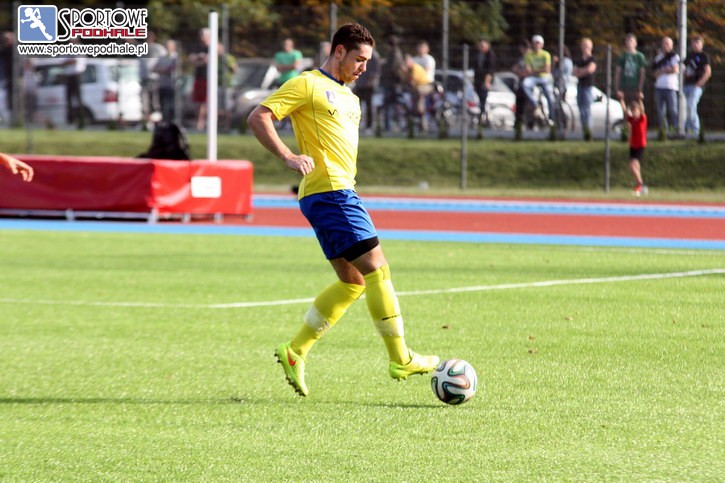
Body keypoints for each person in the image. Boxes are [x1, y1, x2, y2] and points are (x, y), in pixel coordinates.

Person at [247, 23, 439, 397]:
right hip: (331, 193)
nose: (364, 67)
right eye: (359, 59)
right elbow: (259, 116)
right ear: (339, 51)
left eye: (368, 61)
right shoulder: (307, 84)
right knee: (378, 270)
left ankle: (295, 351)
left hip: (335, 194)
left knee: (353, 281)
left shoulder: (351, 99)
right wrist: (287, 156)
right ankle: (401, 357)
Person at [683, 35, 712, 138]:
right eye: (693, 42)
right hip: (687, 85)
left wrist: (699, 83)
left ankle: (696, 130)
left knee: (691, 105)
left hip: (696, 86)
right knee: (688, 108)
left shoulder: (704, 56)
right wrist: (683, 80)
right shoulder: (689, 56)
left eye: (697, 42)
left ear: (701, 44)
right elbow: (685, 70)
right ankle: (687, 129)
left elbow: (708, 72)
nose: (695, 44)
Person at [521, 35, 554, 124]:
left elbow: (547, 70)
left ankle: (552, 118)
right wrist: (540, 69)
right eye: (535, 43)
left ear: (542, 45)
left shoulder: (546, 54)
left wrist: (534, 70)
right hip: (533, 77)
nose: (537, 45)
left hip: (544, 78)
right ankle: (535, 104)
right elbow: (528, 70)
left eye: (538, 43)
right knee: (524, 84)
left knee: (550, 96)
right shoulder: (528, 55)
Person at [652, 36, 679, 138]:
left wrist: (662, 71)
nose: (665, 46)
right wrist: (665, 70)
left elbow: (675, 69)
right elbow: (654, 74)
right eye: (664, 43)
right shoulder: (658, 58)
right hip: (659, 87)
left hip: (671, 87)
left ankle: (676, 129)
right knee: (660, 111)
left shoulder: (674, 56)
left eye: (668, 44)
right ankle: (664, 130)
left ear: (671, 45)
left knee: (673, 109)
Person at [620, 97, 648, 197]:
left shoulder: (642, 119)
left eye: (635, 110)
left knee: (632, 166)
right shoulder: (632, 120)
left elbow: (642, 110)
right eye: (632, 110)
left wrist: (640, 99)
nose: (634, 112)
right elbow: (625, 112)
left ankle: (641, 184)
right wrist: (621, 100)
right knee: (635, 167)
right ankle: (641, 186)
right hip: (633, 145)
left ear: (639, 111)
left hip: (640, 145)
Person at [379, 34, 405, 132]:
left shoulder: (394, 55)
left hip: (392, 83)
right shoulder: (395, 54)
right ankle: (394, 125)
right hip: (393, 83)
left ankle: (390, 126)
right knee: (394, 105)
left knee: (391, 105)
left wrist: (383, 67)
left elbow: (392, 69)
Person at [573, 38, 597, 140]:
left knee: (587, 109)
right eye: (583, 45)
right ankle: (584, 130)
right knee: (581, 109)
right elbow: (574, 72)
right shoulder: (579, 60)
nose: (585, 48)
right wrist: (583, 71)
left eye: (587, 46)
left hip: (588, 86)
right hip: (580, 86)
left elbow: (590, 70)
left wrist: (580, 71)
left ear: (591, 47)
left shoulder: (592, 59)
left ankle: (588, 132)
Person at [352, 48, 380, 134]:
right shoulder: (361, 54)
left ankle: (369, 126)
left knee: (368, 106)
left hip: (368, 85)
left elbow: (376, 71)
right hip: (360, 84)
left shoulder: (374, 56)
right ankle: (356, 124)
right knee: (357, 105)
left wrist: (370, 81)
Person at [614, 33, 647, 105]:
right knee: (624, 107)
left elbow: (642, 73)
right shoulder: (622, 56)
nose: (629, 43)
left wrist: (640, 88)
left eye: (631, 41)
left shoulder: (640, 56)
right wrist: (617, 88)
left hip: (635, 86)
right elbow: (617, 73)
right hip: (624, 86)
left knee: (638, 107)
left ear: (635, 43)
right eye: (627, 41)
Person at [405, 53, 434, 132]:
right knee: (415, 96)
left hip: (426, 85)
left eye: (406, 63)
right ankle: (416, 110)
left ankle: (418, 108)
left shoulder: (415, 68)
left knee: (418, 91)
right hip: (418, 88)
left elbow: (412, 82)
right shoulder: (410, 70)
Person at [189, 28, 210, 130]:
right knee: (200, 103)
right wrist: (200, 58)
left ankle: (208, 123)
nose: (202, 37)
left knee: (209, 102)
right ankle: (200, 124)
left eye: (204, 35)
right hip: (200, 78)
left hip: (209, 79)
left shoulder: (212, 47)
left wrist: (201, 60)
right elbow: (192, 59)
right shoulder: (197, 48)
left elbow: (208, 60)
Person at [61, 40, 86, 128]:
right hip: (68, 76)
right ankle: (70, 120)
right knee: (68, 100)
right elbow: (62, 62)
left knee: (79, 100)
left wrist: (68, 62)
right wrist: (68, 62)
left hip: (76, 76)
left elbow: (75, 61)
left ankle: (81, 120)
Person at [472, 38, 496, 127]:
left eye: (483, 46)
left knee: (483, 99)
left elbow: (490, 70)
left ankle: (484, 117)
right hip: (478, 81)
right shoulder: (477, 55)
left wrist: (487, 82)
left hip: (485, 81)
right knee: (479, 99)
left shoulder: (490, 55)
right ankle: (480, 116)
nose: (481, 47)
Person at [154, 39, 179, 122]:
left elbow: (170, 69)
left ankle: (171, 121)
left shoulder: (175, 57)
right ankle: (164, 121)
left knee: (170, 105)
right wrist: (162, 70)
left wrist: (162, 70)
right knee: (162, 104)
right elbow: (154, 68)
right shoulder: (162, 57)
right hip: (162, 84)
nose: (168, 47)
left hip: (172, 85)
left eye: (170, 46)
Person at [512, 38, 532, 138]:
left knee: (528, 107)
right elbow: (514, 68)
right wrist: (521, 72)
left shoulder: (532, 57)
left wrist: (524, 72)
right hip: (520, 85)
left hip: (530, 86)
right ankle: (518, 126)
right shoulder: (521, 59)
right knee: (519, 107)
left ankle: (529, 125)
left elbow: (530, 71)